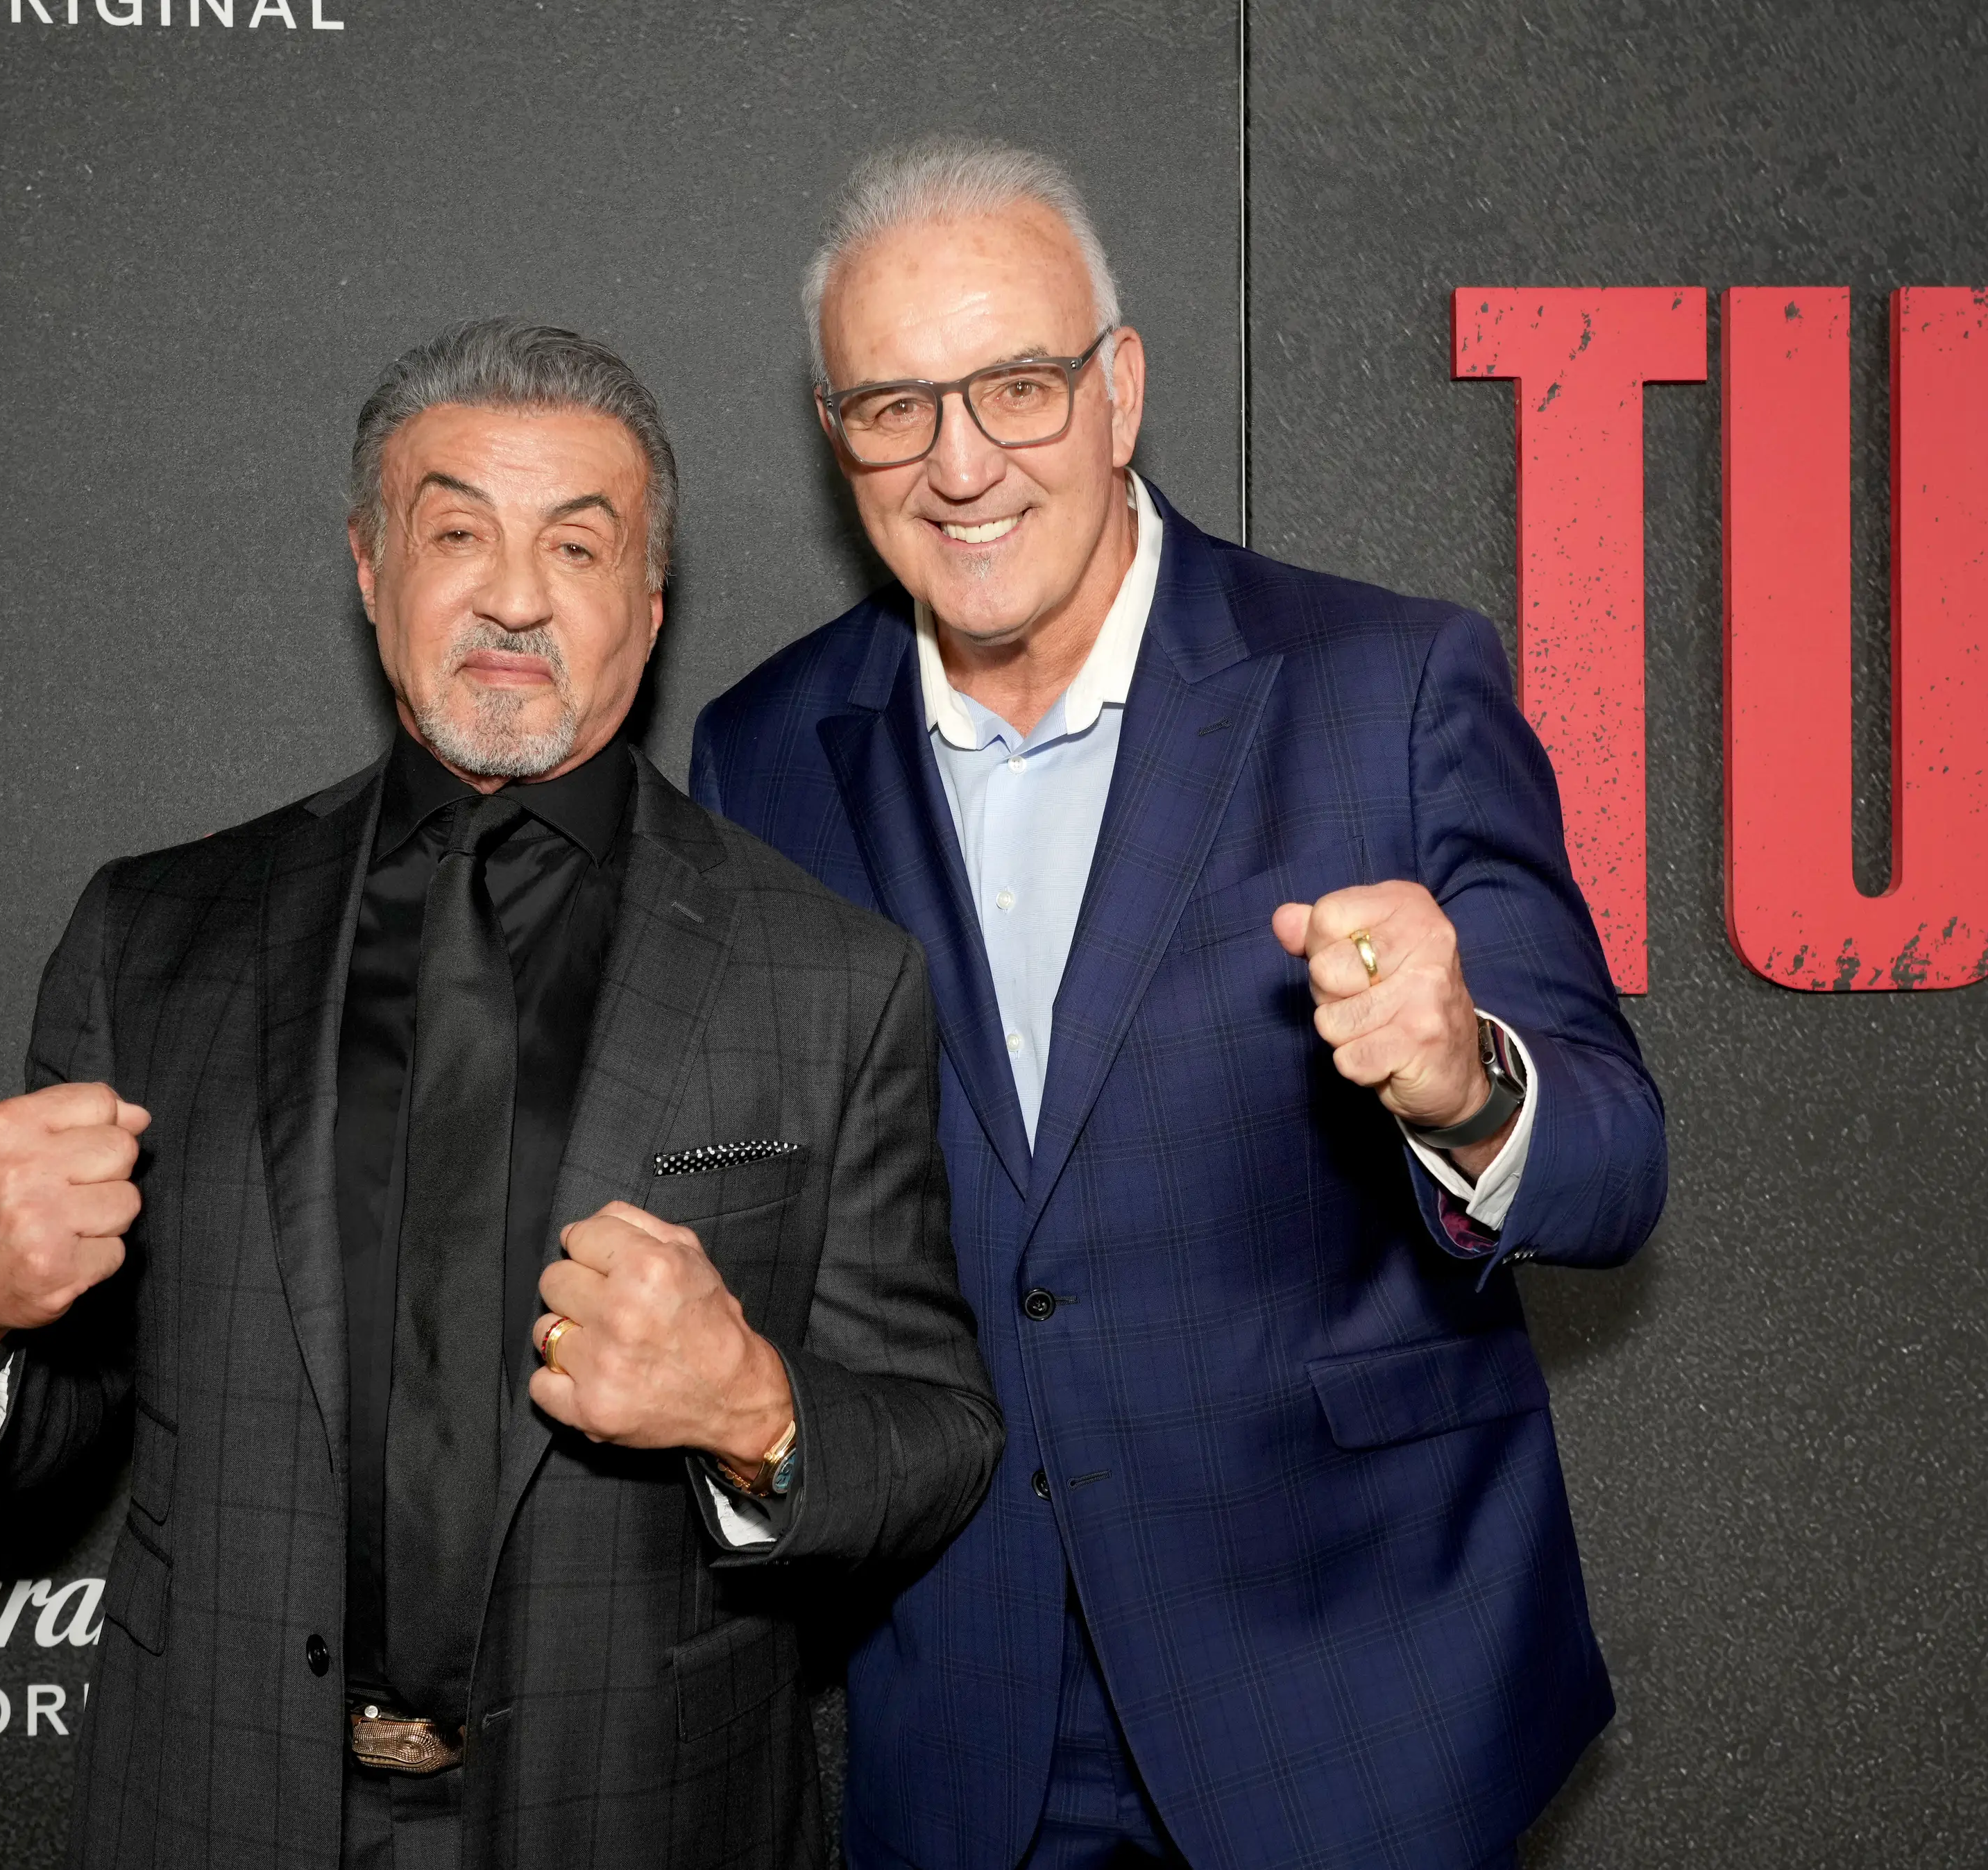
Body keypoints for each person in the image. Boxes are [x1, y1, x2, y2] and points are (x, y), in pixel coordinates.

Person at [0, 318, 1001, 1870]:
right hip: (217, 1806)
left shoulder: (827, 976)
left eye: (578, 546)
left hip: (644, 1818)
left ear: (650, 603)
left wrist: (750, 1406)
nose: (515, 596)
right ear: (369, 569)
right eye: (457, 532)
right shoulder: (154, 938)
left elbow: (939, 1438)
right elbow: (38, 1442)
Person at [691, 139, 1667, 1870]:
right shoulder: (764, 753)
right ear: (838, 437)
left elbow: (1614, 1165)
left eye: (1017, 385)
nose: (961, 463)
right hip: (970, 1711)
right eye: (895, 408)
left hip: (1351, 1698)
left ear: (1121, 388)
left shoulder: (1388, 682)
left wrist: (1466, 1085)